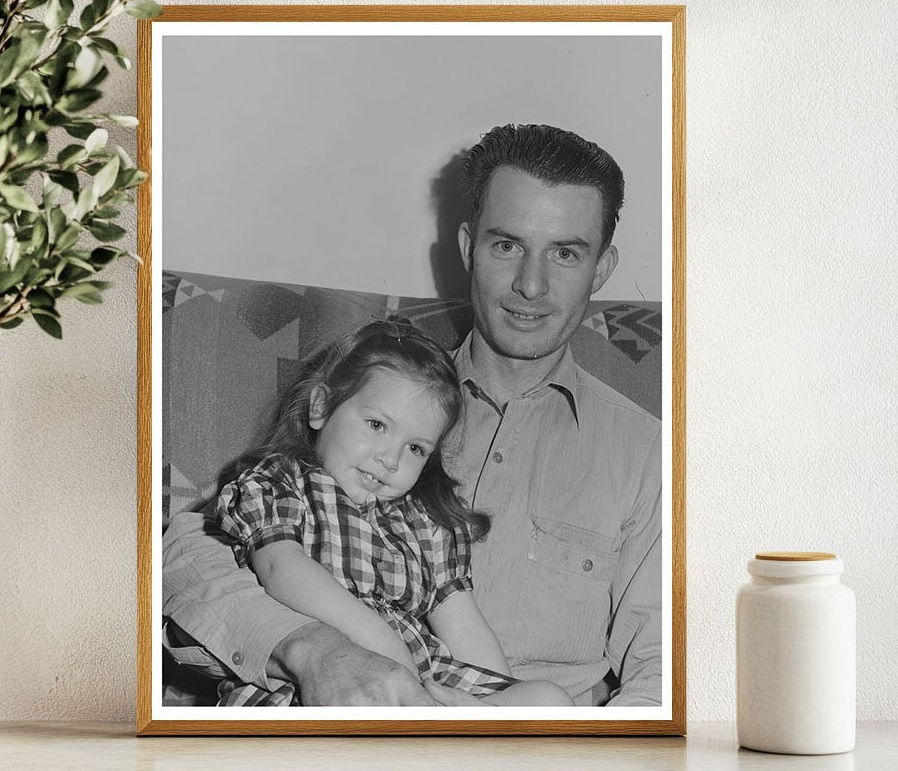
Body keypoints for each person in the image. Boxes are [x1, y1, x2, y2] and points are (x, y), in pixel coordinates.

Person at [163, 123, 661, 707]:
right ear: (469, 248)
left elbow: (663, 673)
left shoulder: (647, 451)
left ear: (601, 269)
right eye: (507, 246)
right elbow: (188, 558)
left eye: (565, 253)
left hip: (525, 750)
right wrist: (311, 649)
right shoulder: (377, 395)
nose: (531, 284)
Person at [203, 317, 572, 707]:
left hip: (424, 684)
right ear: (321, 407)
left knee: (548, 699)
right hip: (322, 680)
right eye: (377, 425)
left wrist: (493, 700)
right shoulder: (280, 483)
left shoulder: (424, 522)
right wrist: (383, 644)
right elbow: (281, 570)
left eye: (415, 448)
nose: (391, 459)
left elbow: (464, 626)